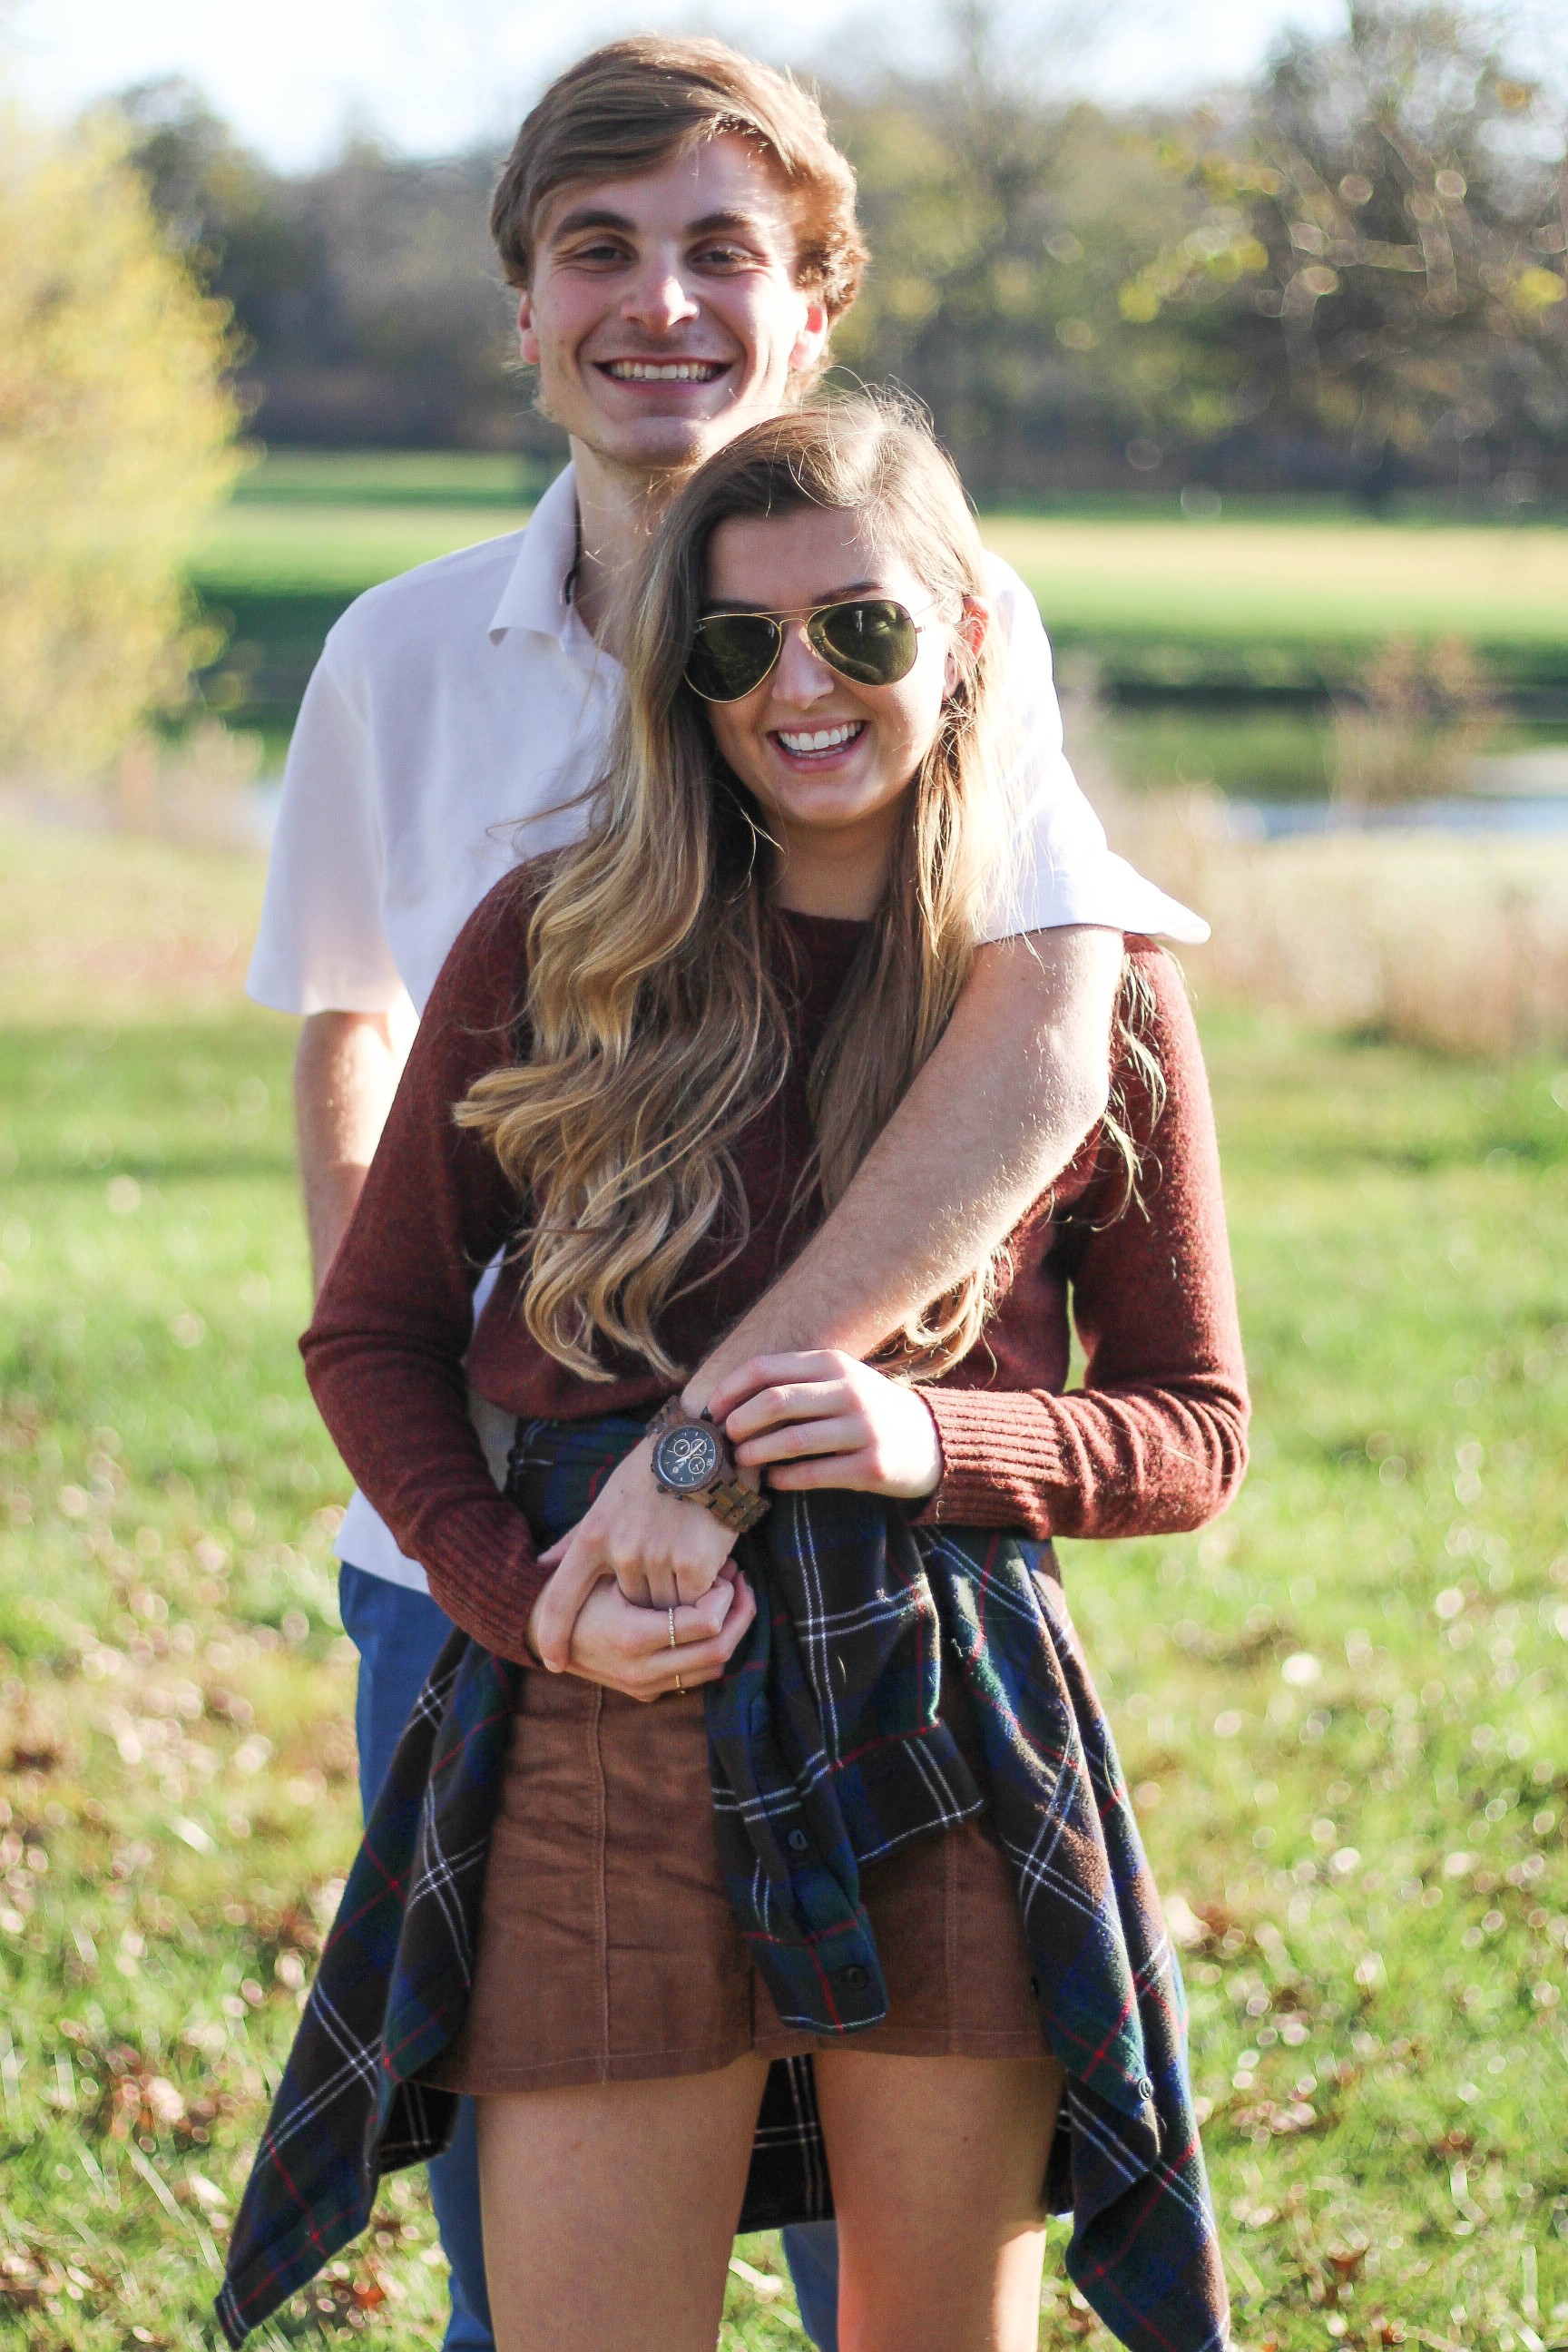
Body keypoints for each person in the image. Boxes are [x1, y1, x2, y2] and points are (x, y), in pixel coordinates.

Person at [245, 37, 1206, 2351]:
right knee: (544, 2263)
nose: (657, 302)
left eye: (721, 252)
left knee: (884, 2271)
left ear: (814, 296)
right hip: (503, 1574)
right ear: (522, 299)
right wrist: (488, 1520)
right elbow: (355, 1068)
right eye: (601, 248)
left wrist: (769, 1438)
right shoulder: (402, 663)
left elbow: (1053, 1033)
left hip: (898, 1615)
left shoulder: (963, 602)